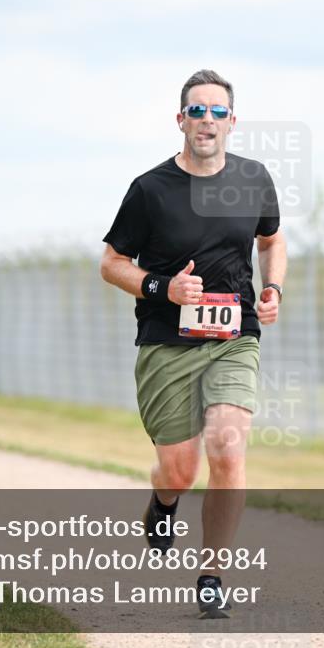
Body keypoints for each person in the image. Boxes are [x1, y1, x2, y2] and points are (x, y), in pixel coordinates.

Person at [100, 69, 287, 618]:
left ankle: (213, 574)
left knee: (228, 447)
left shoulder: (254, 179)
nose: (207, 120)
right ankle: (164, 499)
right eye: (197, 111)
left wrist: (273, 287)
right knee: (180, 470)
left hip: (235, 338)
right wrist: (165, 288)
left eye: (217, 111)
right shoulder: (149, 189)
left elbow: (272, 241)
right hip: (166, 342)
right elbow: (111, 264)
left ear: (233, 121)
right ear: (180, 120)